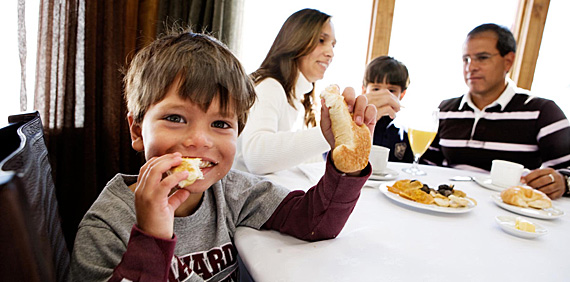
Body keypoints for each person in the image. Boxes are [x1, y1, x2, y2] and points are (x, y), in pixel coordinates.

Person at [68, 30, 377, 282]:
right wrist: (151, 237)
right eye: (175, 118)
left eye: (220, 124)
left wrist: (347, 163)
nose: (200, 140)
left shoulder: (232, 192)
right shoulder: (106, 226)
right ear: (137, 130)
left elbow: (314, 222)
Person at [233, 8, 390, 174]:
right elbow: (256, 157)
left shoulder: (300, 99)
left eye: (333, 45)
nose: (331, 53)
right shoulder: (269, 86)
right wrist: (336, 127)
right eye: (321, 40)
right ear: (295, 41)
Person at [423, 23, 570, 199]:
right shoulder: (446, 110)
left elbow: (566, 171)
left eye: (482, 58)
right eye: (466, 59)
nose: (471, 67)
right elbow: (426, 166)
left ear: (508, 61)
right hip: (448, 208)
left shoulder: (542, 111)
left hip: (508, 215)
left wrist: (564, 182)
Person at [362, 55, 412, 163]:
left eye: (391, 91)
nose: (384, 95)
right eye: (376, 89)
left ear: (402, 95)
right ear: (364, 90)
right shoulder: (355, 125)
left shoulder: (404, 135)